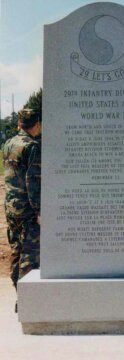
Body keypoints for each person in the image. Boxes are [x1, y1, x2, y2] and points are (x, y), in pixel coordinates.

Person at [3, 108, 41, 306]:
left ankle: (19, 295)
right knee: (30, 255)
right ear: (37, 124)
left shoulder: (9, 143)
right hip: (27, 209)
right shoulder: (32, 146)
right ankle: (27, 302)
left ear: (19, 124)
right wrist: (39, 210)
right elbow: (32, 181)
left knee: (16, 251)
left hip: (10, 207)